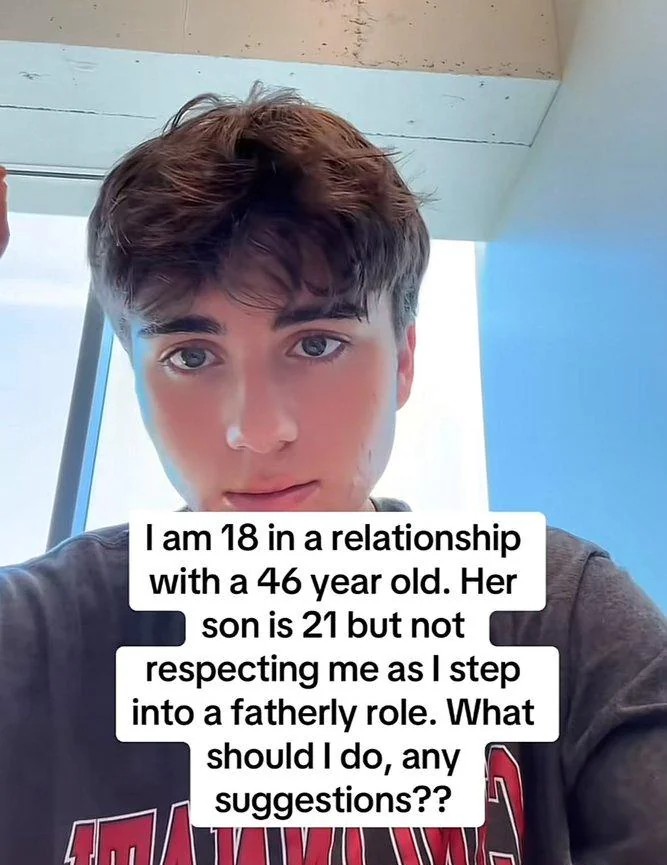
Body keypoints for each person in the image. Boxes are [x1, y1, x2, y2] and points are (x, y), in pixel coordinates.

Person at [0, 85, 665, 865]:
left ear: (404, 361)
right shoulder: (37, 642)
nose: (257, 430)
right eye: (191, 355)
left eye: (315, 344)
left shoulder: (553, 619)